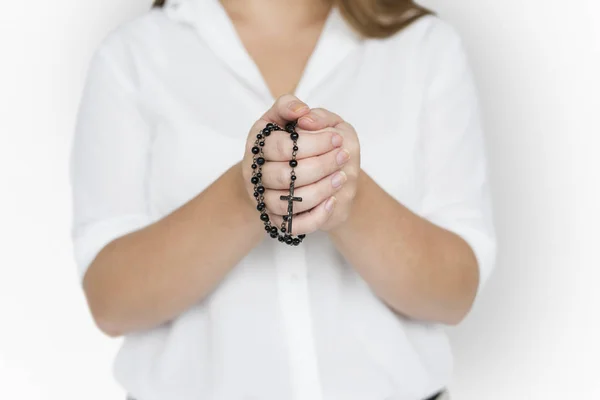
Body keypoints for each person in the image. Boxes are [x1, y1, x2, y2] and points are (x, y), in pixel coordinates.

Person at [69, 0, 496, 398]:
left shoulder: (424, 46)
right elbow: (112, 301)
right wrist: (249, 191)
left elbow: (454, 294)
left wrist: (345, 192)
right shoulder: (134, 55)